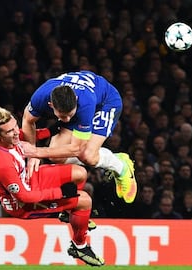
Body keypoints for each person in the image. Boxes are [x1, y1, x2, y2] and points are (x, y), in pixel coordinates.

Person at [0, 105, 104, 267]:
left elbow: (21, 135)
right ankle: (79, 246)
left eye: (15, 126)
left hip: (28, 178)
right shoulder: (3, 164)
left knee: (80, 173)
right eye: (9, 131)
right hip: (23, 203)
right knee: (84, 201)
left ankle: (70, 214)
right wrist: (61, 192)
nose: (15, 132)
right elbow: (24, 197)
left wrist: (50, 131)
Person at [21, 70, 137, 203]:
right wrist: (31, 155)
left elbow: (76, 149)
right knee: (55, 156)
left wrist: (37, 152)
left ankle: (121, 166)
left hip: (106, 103)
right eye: (62, 116)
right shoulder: (40, 96)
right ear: (51, 105)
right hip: (84, 102)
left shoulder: (85, 104)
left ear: (75, 100)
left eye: (70, 114)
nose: (67, 119)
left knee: (88, 155)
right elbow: (27, 120)